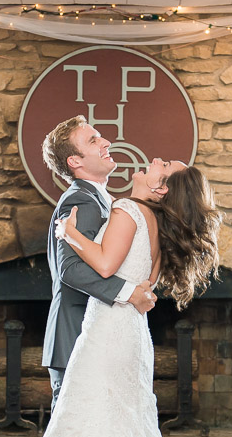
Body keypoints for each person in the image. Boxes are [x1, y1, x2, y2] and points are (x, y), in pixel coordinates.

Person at [14, 151, 222, 437]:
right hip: (132, 334)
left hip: (108, 332)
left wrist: (69, 233)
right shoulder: (156, 224)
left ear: (161, 189)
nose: (157, 159)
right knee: (123, 427)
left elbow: (107, 265)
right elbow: (139, 282)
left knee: (89, 421)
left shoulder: (128, 210)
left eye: (165, 165)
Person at [41, 115, 157, 414]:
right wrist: (130, 293)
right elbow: (71, 270)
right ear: (75, 162)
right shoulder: (81, 201)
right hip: (77, 336)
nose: (105, 142)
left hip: (98, 339)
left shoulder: (101, 200)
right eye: (93, 140)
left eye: (100, 137)